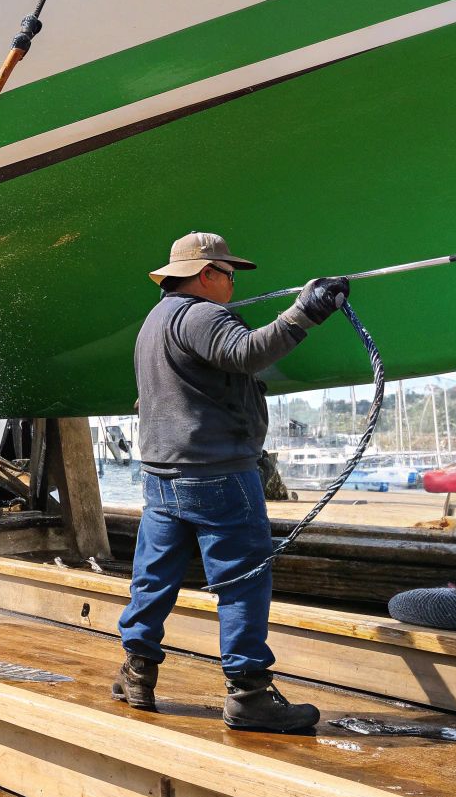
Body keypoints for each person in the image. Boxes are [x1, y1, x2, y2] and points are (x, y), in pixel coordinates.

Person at [111, 232, 349, 732]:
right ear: (205, 275)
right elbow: (247, 352)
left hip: (162, 477)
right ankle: (249, 694)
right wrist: (306, 312)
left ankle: (137, 672)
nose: (233, 284)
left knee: (154, 577)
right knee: (242, 581)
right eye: (228, 274)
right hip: (217, 475)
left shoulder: (155, 322)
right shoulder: (202, 315)